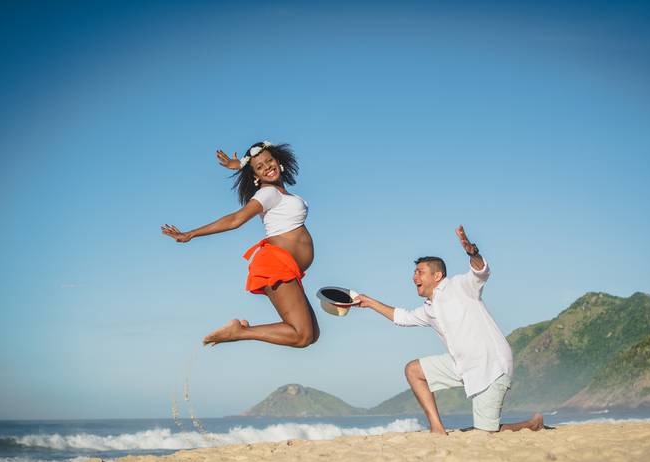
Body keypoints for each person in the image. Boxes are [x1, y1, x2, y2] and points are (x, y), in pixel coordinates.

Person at [356, 226, 545, 434]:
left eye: (420, 272)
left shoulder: (461, 285)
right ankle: (437, 427)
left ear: (437, 276)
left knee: (485, 434)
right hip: (461, 364)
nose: (414, 277)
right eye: (414, 272)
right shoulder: (428, 309)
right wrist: (369, 302)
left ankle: (531, 424)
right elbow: (401, 317)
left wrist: (472, 252)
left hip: (491, 365)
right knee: (413, 370)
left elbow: (481, 271)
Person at [161, 141, 319, 348]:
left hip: (288, 268)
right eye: (260, 167)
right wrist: (191, 234)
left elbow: (258, 166)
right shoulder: (268, 193)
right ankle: (239, 332)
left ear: (278, 161)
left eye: (269, 161)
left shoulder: (281, 193)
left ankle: (240, 331)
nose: (267, 167)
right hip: (277, 265)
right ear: (255, 176)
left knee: (312, 335)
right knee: (302, 336)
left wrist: (240, 164)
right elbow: (235, 220)